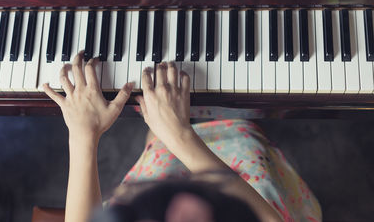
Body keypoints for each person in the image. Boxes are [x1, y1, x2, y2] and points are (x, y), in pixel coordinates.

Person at [44, 51, 322, 222]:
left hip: (163, 182)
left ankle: (158, 134)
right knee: (245, 137)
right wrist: (180, 134)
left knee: (158, 147)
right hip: (243, 190)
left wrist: (83, 135)